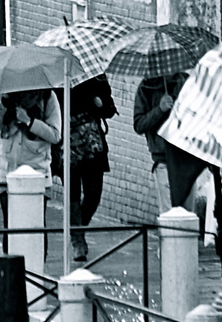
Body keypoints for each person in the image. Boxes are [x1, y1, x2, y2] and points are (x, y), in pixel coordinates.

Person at [60, 74, 117, 262]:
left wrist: (101, 104)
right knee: (73, 195)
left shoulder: (95, 76)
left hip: (92, 143)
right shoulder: (57, 77)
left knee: (94, 193)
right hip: (67, 145)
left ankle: (78, 229)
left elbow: (109, 108)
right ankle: (77, 241)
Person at [133, 72, 205, 214]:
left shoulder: (186, 82)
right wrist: (160, 109)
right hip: (164, 160)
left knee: (189, 216)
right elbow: (139, 125)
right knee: (169, 218)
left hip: (186, 158)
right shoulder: (146, 87)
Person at [0, 89, 62, 221]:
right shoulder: (7, 96)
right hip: (6, 173)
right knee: (10, 227)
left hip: (37, 174)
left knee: (36, 227)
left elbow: (55, 135)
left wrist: (29, 121)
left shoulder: (46, 97)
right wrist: (2, 104)